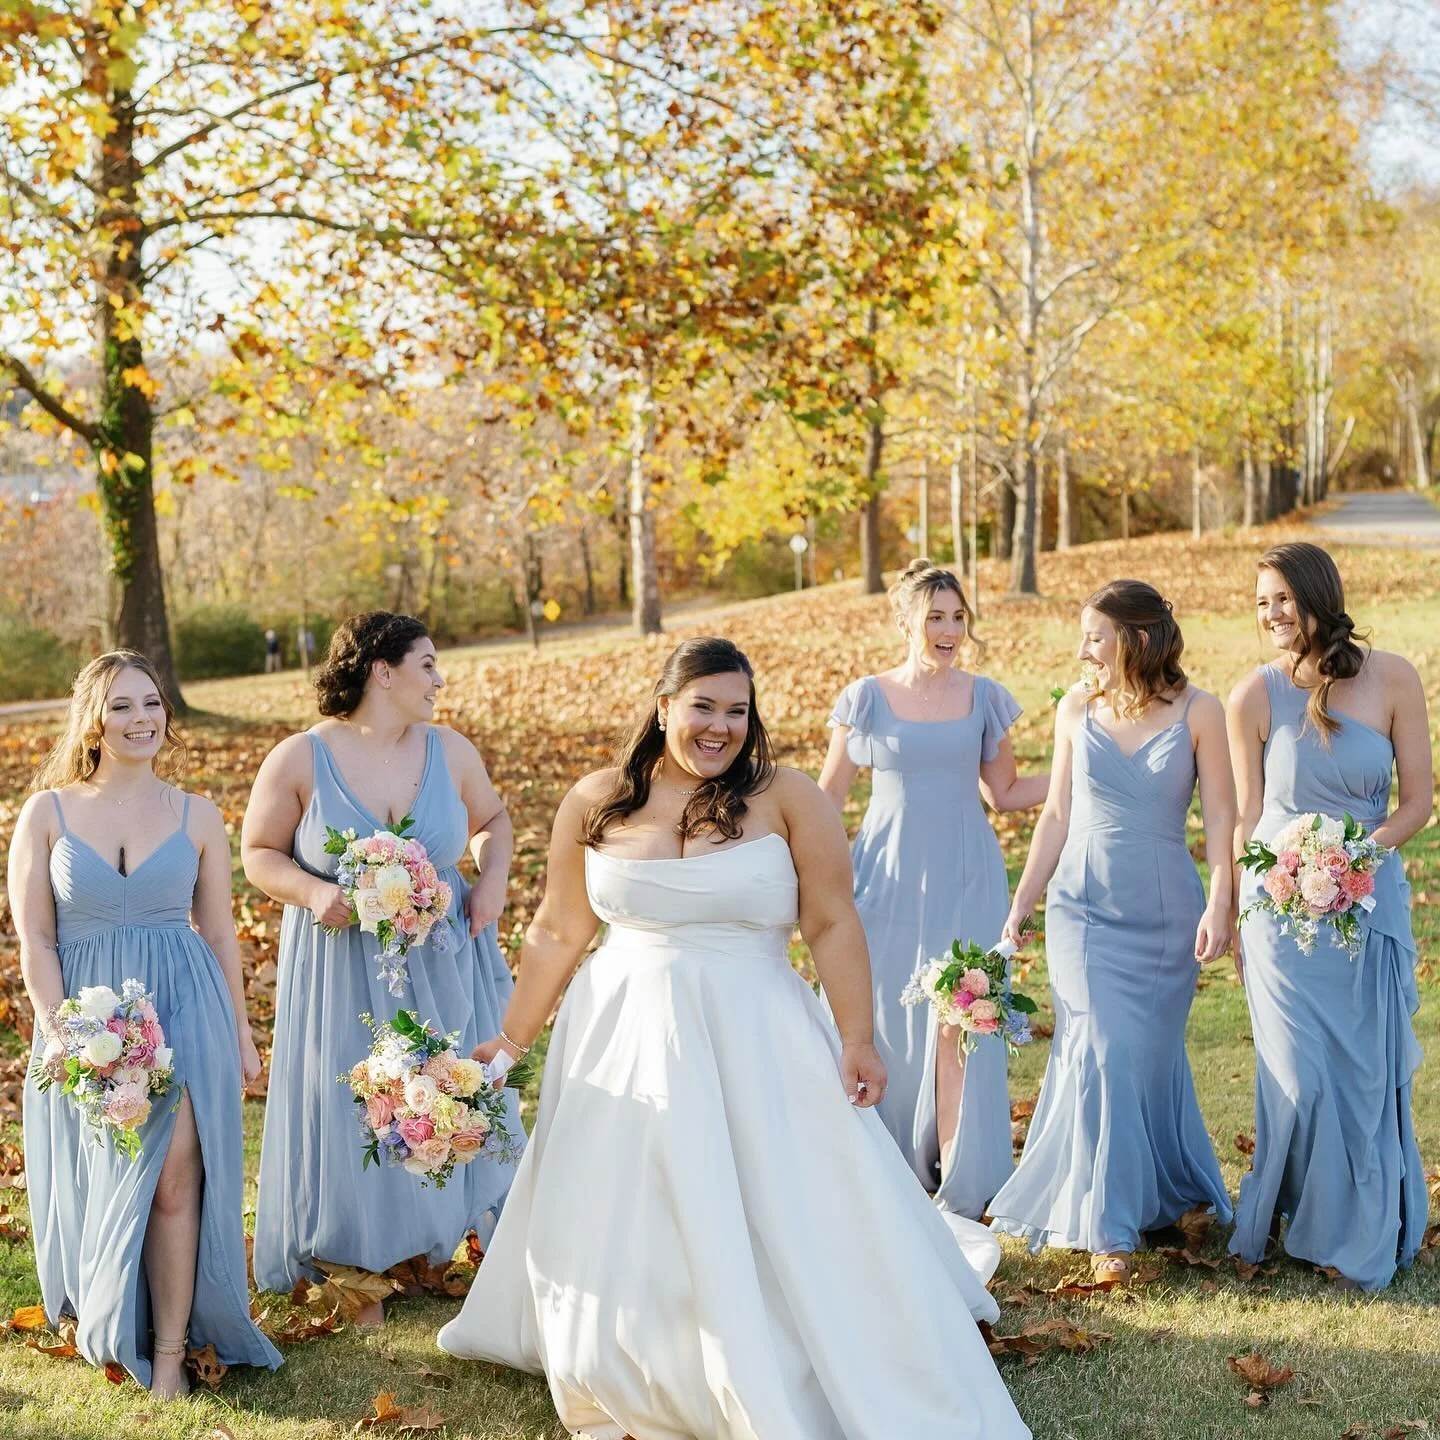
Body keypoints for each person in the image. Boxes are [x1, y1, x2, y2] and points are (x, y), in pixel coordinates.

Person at [437, 637, 1032, 1440]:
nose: (720, 727)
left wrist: (859, 1038)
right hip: (624, 1030)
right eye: (703, 708)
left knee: (778, 1195)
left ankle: (786, 1340)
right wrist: (507, 1044)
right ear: (662, 708)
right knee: (633, 1197)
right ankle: (638, 1355)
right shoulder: (594, 800)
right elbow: (557, 929)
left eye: (737, 712)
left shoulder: (787, 798)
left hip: (759, 1029)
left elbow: (829, 919)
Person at [9, 651, 282, 1396]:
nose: (142, 720)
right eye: (123, 706)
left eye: (152, 703)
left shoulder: (196, 814)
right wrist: (60, 1029)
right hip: (85, 1022)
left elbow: (222, 933)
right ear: (93, 720)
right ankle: (111, 1318)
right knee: (108, 1176)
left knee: (173, 1180)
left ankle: (168, 1353)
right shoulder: (49, 813)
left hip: (184, 1008)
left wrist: (242, 1030)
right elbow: (33, 935)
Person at [243, 612, 519, 1320]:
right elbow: (259, 853)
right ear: (381, 671)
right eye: (427, 664)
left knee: (444, 1089)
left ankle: (431, 1243)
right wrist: (313, 890)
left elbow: (494, 823)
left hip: (442, 959)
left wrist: (490, 882)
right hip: (340, 963)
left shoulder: (450, 750)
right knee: (348, 1098)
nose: (439, 678)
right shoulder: (299, 758)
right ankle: (350, 1257)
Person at [987, 581, 1235, 1281]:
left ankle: (1159, 1190)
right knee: (1101, 1046)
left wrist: (1221, 903)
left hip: (1164, 915)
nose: (1082, 648)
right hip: (1082, 909)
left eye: (1095, 635)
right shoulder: (1075, 706)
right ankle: (1111, 1232)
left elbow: (1221, 818)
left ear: (1138, 638)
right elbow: (1057, 814)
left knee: (1143, 1056)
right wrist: (1023, 902)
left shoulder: (1200, 711)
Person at [1227, 542, 1432, 1290]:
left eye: (1281, 597)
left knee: (1360, 1078)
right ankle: (1293, 1217)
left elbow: (1417, 803)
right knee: (1298, 1077)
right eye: (1261, 603)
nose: (1271, 614)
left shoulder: (1394, 678)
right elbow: (1246, 815)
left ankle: (1355, 1236)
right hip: (1276, 912)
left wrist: (1352, 858)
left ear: (1317, 595)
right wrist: (1229, 899)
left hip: (1366, 903)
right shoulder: (1252, 695)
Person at [817, 560, 1046, 1218]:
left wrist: (1077, 775)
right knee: (882, 1014)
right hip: (885, 876)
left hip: (967, 875)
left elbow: (1004, 794)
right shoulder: (865, 697)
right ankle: (880, 1169)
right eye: (935, 617)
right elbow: (830, 797)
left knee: (965, 1018)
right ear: (906, 621)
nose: (949, 629)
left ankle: (964, 1178)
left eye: (958, 617)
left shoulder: (984, 697)